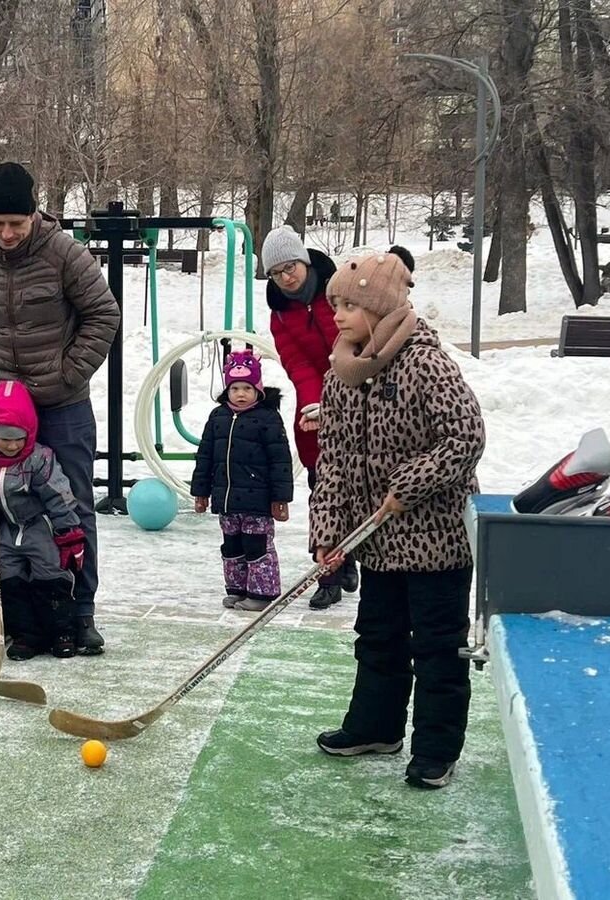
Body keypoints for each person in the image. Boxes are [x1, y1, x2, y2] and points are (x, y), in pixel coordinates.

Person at [309, 250, 485, 790]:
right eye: (334, 303)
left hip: (436, 540)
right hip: (379, 540)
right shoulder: (342, 371)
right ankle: (376, 727)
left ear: (380, 306)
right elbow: (334, 457)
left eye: (348, 304)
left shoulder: (425, 363)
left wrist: (407, 486)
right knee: (378, 636)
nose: (336, 314)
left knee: (435, 645)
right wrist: (328, 533)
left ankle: (436, 748)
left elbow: (466, 437)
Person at [0, 161, 119, 655]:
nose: (6, 233)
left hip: (62, 406)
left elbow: (103, 314)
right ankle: (15, 610)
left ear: (33, 216)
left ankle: (79, 612)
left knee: (71, 507)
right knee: (8, 510)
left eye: (17, 224)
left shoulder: (64, 253)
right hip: (4, 413)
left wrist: (67, 373)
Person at [260, 224, 355, 611]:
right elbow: (297, 363)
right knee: (324, 490)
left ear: (304, 260)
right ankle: (329, 573)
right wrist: (316, 403)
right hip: (315, 404)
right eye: (277, 271)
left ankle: (356, 555)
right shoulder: (280, 316)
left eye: (291, 266)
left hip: (359, 392)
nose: (287, 276)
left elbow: (361, 342)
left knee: (360, 487)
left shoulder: (341, 291)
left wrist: (346, 389)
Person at [0, 380, 85, 660]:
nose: (14, 445)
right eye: (6, 438)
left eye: (20, 437)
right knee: (11, 582)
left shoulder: (39, 460)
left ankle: (62, 632)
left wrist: (69, 534)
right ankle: (27, 635)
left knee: (51, 579)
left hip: (41, 528)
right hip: (5, 530)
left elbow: (58, 496)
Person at [190, 350, 292, 612]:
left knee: (256, 546)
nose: (241, 393)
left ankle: (261, 593)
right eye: (235, 388)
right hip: (226, 498)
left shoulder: (268, 418)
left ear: (258, 389)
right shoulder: (218, 417)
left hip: (257, 500)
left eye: (247, 387)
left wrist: (280, 498)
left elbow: (280, 460)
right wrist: (201, 492)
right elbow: (205, 456)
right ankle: (237, 589)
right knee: (232, 546)